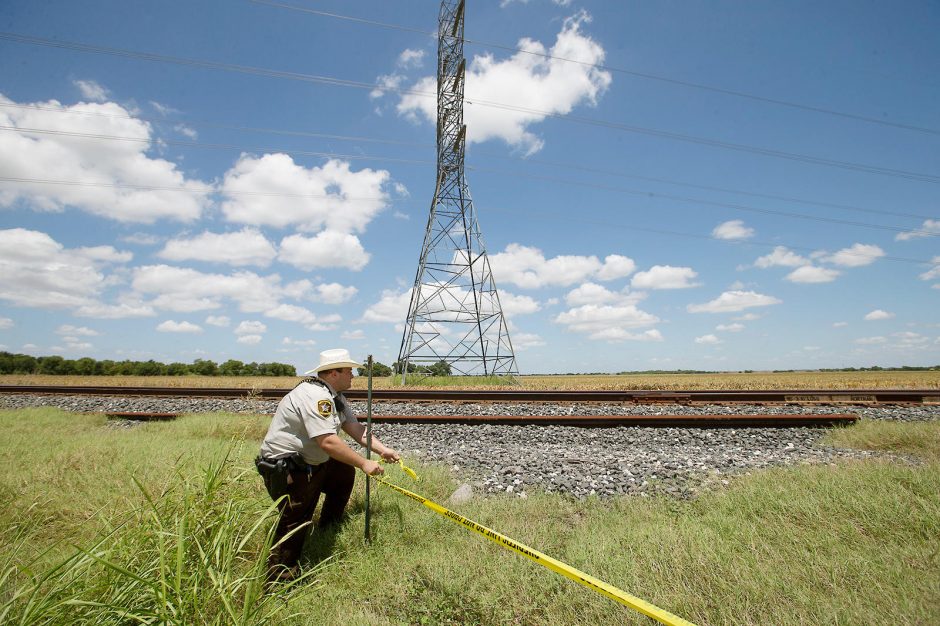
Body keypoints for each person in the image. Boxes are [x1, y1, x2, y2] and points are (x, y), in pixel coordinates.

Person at [255, 348, 399, 580]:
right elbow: (328, 442)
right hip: (290, 467)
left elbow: (355, 429)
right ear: (333, 373)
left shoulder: (335, 396)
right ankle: (279, 581)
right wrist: (364, 463)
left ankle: (329, 527)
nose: (353, 375)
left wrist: (383, 450)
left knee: (342, 474)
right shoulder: (316, 396)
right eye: (349, 371)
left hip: (311, 460)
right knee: (295, 523)